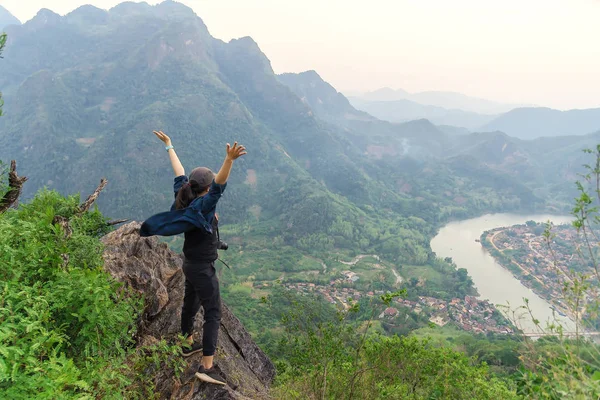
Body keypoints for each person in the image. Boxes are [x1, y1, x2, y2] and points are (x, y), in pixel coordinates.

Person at [140, 130, 246, 386]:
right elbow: (219, 187)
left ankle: (186, 342)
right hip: (201, 268)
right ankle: (207, 366)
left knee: (191, 301)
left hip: (189, 264)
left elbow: (179, 172)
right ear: (206, 189)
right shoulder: (203, 206)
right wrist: (229, 160)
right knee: (213, 312)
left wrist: (169, 146)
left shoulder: (184, 195)